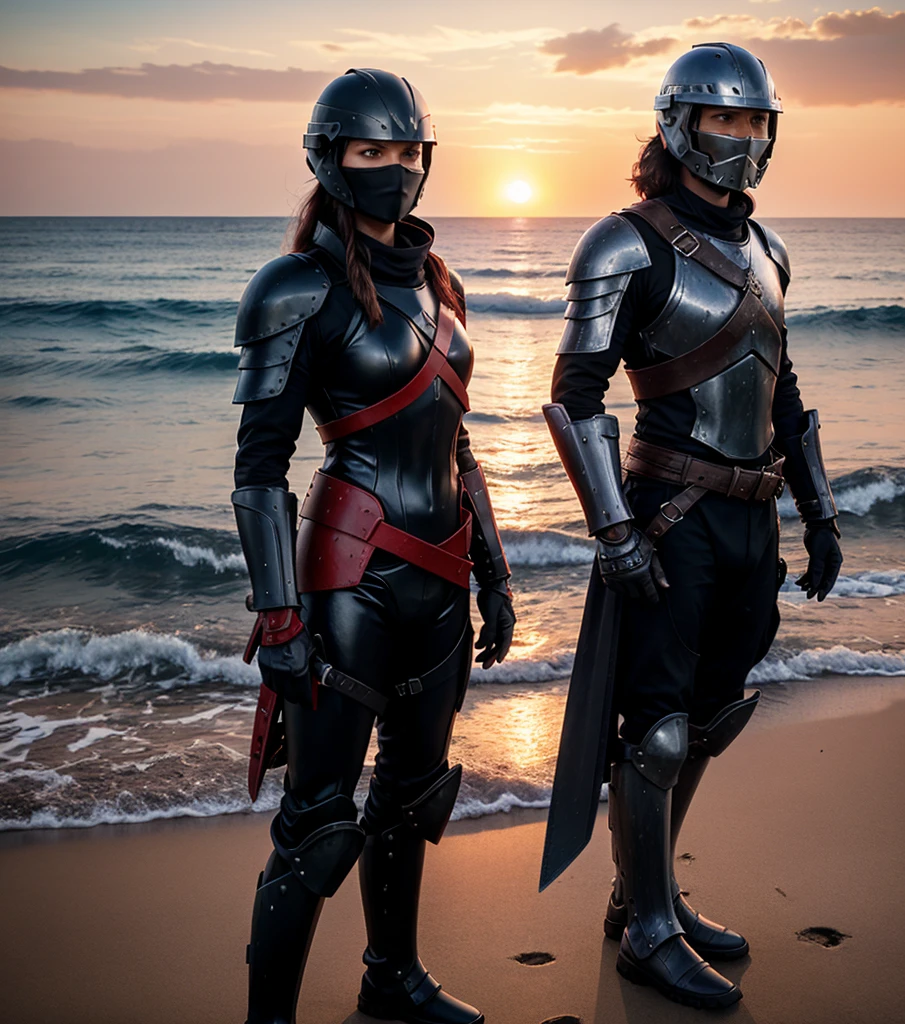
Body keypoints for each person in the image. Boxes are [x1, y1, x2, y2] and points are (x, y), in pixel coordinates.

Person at [540, 42, 842, 1009]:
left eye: (756, 122)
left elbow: (782, 391)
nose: (742, 139)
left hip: (752, 520)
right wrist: (616, 532)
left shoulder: (770, 251)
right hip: (674, 515)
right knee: (661, 730)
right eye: (725, 120)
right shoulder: (624, 244)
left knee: (712, 717)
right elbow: (574, 396)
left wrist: (819, 510)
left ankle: (644, 894)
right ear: (678, 127)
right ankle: (649, 932)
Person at [230, 68, 514, 1024]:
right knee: (317, 825)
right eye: (370, 152)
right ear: (330, 161)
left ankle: (390, 978)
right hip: (349, 584)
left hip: (441, 581)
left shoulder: (442, 285)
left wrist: (496, 572)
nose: (393, 169)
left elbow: (455, 437)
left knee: (411, 796)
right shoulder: (294, 289)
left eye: (406, 151)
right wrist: (279, 619)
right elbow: (259, 470)